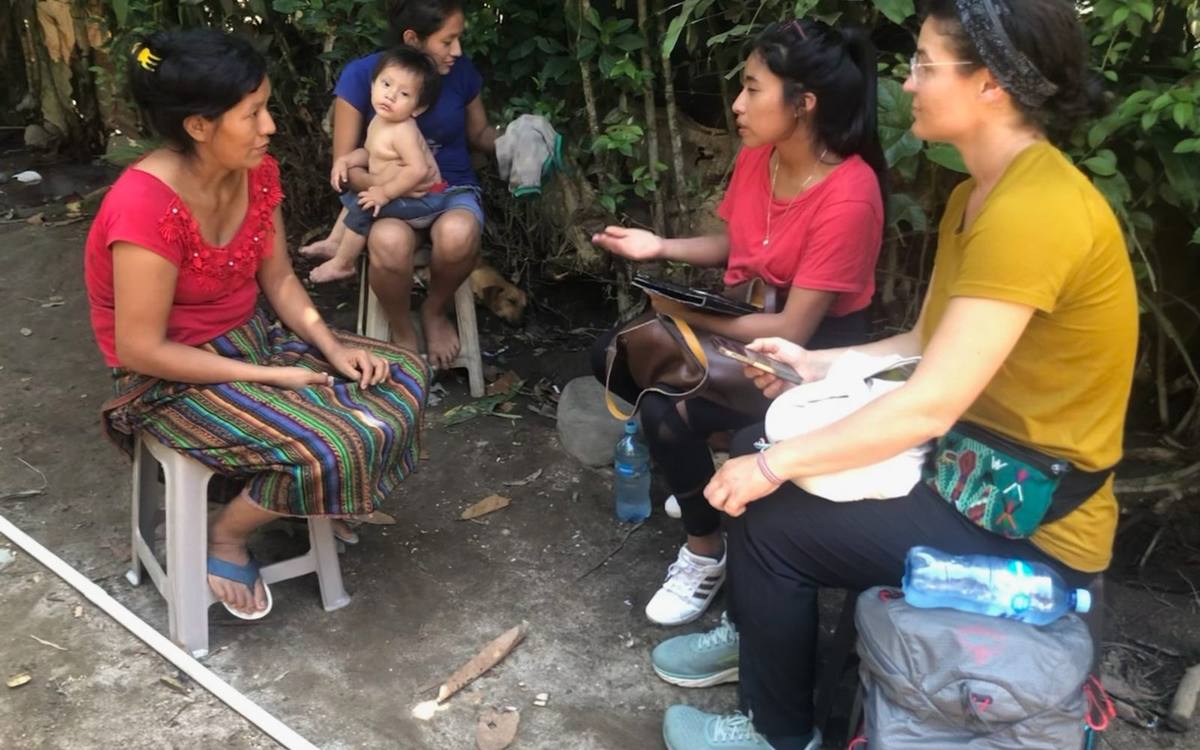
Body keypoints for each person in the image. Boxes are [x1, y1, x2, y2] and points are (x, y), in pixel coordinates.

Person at [653, 0, 1135, 747]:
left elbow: (929, 405)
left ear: (991, 86)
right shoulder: (978, 195)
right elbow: (922, 340)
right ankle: (761, 639)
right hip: (977, 469)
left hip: (1032, 517)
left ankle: (778, 733)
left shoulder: (1035, 211)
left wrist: (775, 466)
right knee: (753, 449)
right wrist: (818, 362)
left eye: (924, 66)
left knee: (770, 516)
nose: (906, 84)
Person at [86, 30, 429, 619]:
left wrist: (329, 346)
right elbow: (140, 349)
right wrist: (270, 378)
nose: (269, 126)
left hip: (254, 341)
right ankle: (227, 531)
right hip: (168, 380)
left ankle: (315, 489)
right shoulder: (144, 205)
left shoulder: (255, 172)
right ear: (199, 126)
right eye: (253, 113)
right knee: (340, 438)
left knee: (403, 373)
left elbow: (281, 283)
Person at [590, 19, 886, 627]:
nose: (737, 105)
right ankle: (698, 479)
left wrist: (678, 314)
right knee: (614, 356)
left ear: (804, 104)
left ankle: (705, 549)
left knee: (664, 405)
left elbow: (797, 332)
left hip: (806, 365)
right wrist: (658, 247)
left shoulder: (850, 195)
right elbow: (739, 242)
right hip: (745, 328)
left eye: (753, 89)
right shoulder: (761, 157)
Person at [301, 0, 495, 369]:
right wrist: (388, 187)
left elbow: (481, 133)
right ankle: (402, 328)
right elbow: (347, 168)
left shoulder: (462, 72)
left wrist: (518, 141)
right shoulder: (363, 76)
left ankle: (434, 311)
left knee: (458, 233)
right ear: (413, 39)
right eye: (447, 41)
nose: (458, 51)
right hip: (389, 193)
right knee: (388, 242)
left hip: (450, 192)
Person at [309, 46, 459, 284]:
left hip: (425, 200)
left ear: (418, 108)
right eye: (386, 85)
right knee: (357, 193)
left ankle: (344, 264)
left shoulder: (403, 131)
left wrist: (384, 193)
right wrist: (345, 160)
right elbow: (369, 154)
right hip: (405, 192)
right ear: (373, 85)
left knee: (364, 204)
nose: (390, 96)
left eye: (404, 94)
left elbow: (418, 170)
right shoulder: (380, 120)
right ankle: (334, 243)